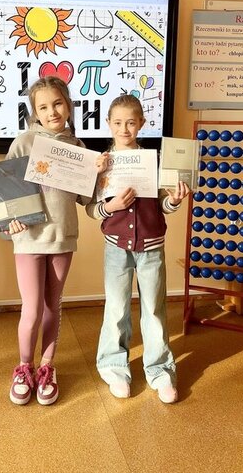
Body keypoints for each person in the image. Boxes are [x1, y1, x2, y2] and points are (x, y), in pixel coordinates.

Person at [5, 76, 106, 406]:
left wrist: (99, 173)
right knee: (32, 308)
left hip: (62, 237)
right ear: (34, 112)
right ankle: (24, 367)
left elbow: (86, 198)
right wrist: (9, 221)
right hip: (29, 239)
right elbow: (7, 191)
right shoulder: (24, 143)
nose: (52, 112)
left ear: (69, 105)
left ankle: (47, 366)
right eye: (44, 107)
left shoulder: (78, 148)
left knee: (52, 305)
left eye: (58, 103)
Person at [86, 94, 189, 403]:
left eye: (131, 123)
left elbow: (163, 205)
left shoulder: (154, 161)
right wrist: (111, 206)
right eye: (118, 123)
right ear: (108, 124)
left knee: (154, 310)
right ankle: (113, 368)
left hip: (151, 247)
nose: (124, 129)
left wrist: (174, 200)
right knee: (116, 308)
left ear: (141, 123)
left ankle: (160, 371)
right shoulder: (101, 164)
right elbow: (91, 209)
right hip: (116, 248)